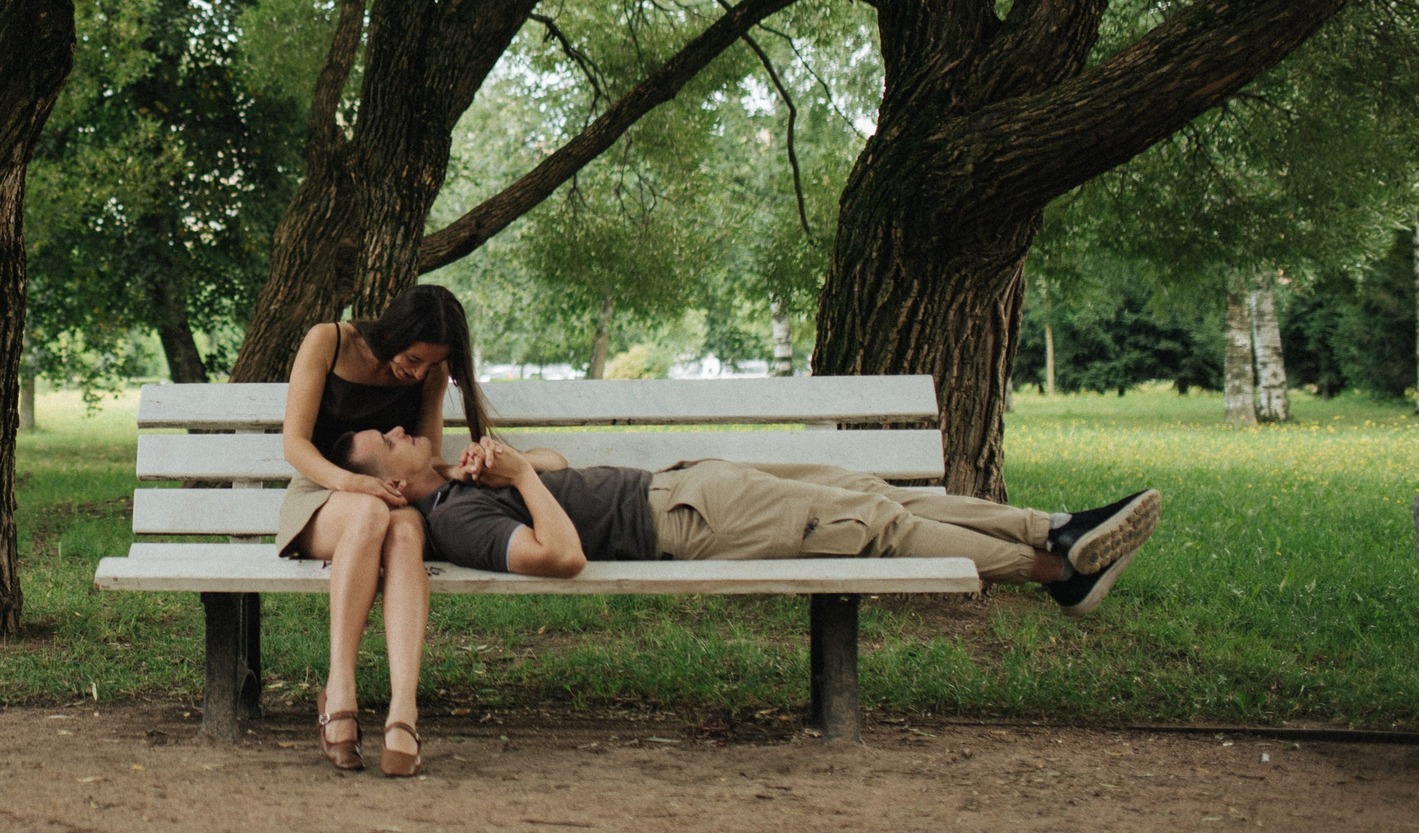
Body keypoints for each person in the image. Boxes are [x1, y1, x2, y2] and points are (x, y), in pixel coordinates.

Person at [331, 427, 1160, 616]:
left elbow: (553, 471)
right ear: (391, 489)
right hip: (682, 519)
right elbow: (560, 554)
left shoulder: (463, 476)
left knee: (874, 491)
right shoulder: (455, 518)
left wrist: (511, 458)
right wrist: (506, 479)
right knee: (876, 525)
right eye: (392, 442)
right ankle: (1060, 573)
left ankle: (1051, 525)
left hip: (684, 483)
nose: (408, 431)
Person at [275, 285, 488, 778]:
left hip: (392, 498)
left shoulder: (430, 371)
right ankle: (341, 687)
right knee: (369, 515)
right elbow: (295, 443)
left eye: (429, 365)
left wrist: (441, 472)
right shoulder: (328, 340)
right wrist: (354, 484)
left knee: (407, 535)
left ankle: (403, 711)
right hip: (323, 491)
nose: (416, 373)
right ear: (393, 332)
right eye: (412, 358)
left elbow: (425, 454)